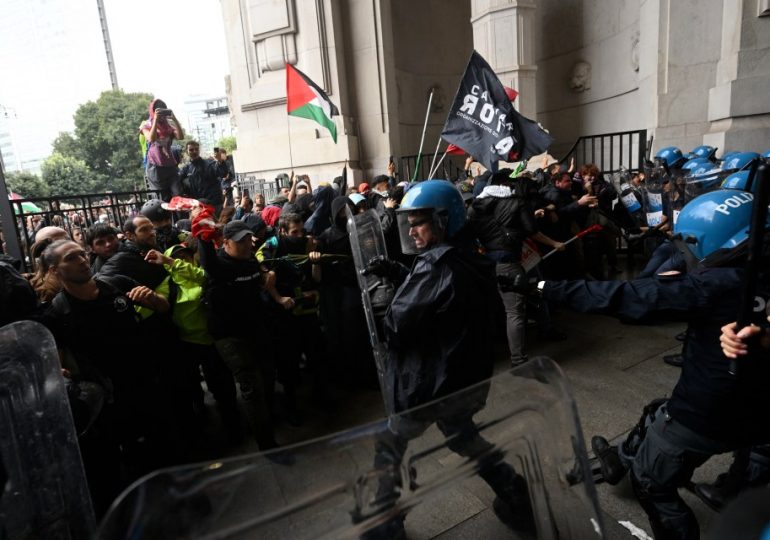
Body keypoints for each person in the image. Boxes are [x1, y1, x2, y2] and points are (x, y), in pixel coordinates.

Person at [533, 191, 770, 539]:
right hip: (760, 410)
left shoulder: (716, 283)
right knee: (662, 412)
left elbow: (629, 299)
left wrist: (544, 287)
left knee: (651, 481)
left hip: (706, 411)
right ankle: (737, 486)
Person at [359, 180, 533, 538]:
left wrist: (387, 301)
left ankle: (387, 525)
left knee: (391, 445)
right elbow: (442, 299)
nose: (411, 229)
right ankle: (514, 491)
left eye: (419, 221)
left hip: (427, 382)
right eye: (409, 222)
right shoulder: (467, 255)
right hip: (458, 378)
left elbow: (397, 327)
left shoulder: (434, 268)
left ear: (444, 220)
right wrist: (400, 272)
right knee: (463, 436)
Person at [195, 217, 285, 456]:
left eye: (248, 240)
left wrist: (266, 273)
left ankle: (263, 421)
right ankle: (267, 445)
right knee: (251, 385)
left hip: (255, 329)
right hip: (229, 336)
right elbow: (208, 262)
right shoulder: (220, 265)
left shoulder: (250, 262)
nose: (247, 245)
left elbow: (258, 271)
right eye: (240, 241)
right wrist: (203, 237)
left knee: (267, 377)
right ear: (225, 243)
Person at [467, 169, 565, 367]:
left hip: (484, 263)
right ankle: (518, 359)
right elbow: (532, 232)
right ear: (506, 185)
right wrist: (555, 243)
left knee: (493, 309)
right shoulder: (516, 202)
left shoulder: (475, 205)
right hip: (508, 262)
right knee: (514, 311)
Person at [141, 99, 184, 201]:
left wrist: (174, 119)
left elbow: (180, 136)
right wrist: (155, 119)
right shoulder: (146, 125)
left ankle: (180, 217)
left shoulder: (168, 125)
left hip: (171, 165)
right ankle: (167, 217)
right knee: (162, 199)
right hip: (155, 166)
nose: (161, 114)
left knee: (178, 195)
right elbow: (151, 138)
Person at [178, 141, 224, 214]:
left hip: (214, 204)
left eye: (196, 149)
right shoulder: (185, 169)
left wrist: (220, 162)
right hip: (197, 206)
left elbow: (223, 174)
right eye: (191, 150)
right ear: (187, 152)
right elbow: (178, 182)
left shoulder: (210, 164)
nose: (194, 151)